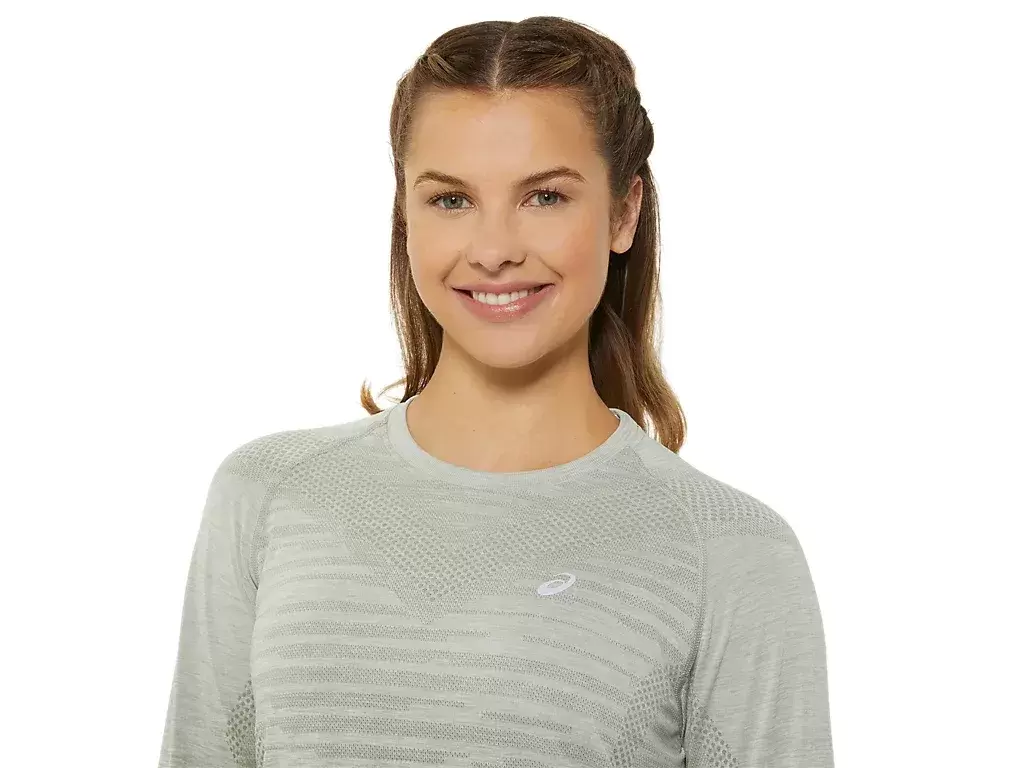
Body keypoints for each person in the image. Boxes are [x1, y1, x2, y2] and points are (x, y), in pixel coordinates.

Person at [158, 16, 834, 768]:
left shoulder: (729, 553)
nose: (493, 250)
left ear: (624, 212)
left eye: (544, 197)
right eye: (451, 200)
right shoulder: (269, 494)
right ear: (405, 215)